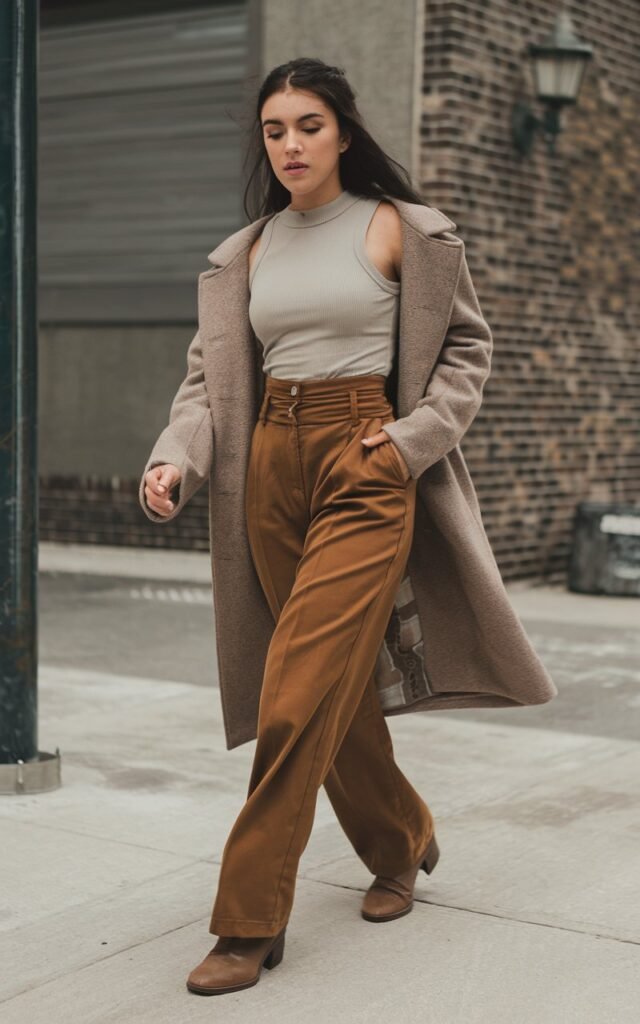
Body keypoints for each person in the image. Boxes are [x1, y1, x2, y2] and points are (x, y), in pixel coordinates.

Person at [141, 57, 556, 997]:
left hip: (365, 464)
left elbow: (464, 351)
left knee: (294, 693)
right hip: (268, 468)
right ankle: (402, 836)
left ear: (344, 131)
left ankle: (247, 922)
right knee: (330, 685)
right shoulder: (244, 252)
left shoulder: (400, 230)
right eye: (275, 129)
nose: (290, 144)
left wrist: (406, 445)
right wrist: (177, 456)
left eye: (309, 125)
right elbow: (210, 381)